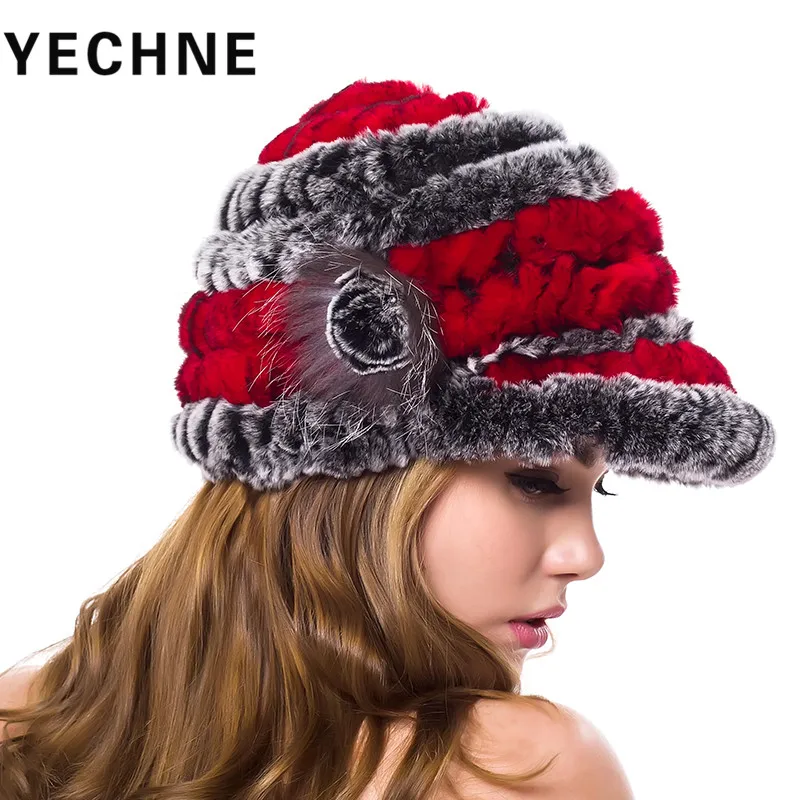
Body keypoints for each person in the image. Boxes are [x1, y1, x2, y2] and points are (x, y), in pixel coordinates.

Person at [0, 78, 775, 799]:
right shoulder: (519, 766)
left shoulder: (26, 724)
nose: (585, 555)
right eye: (535, 479)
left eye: (597, 488)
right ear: (360, 473)